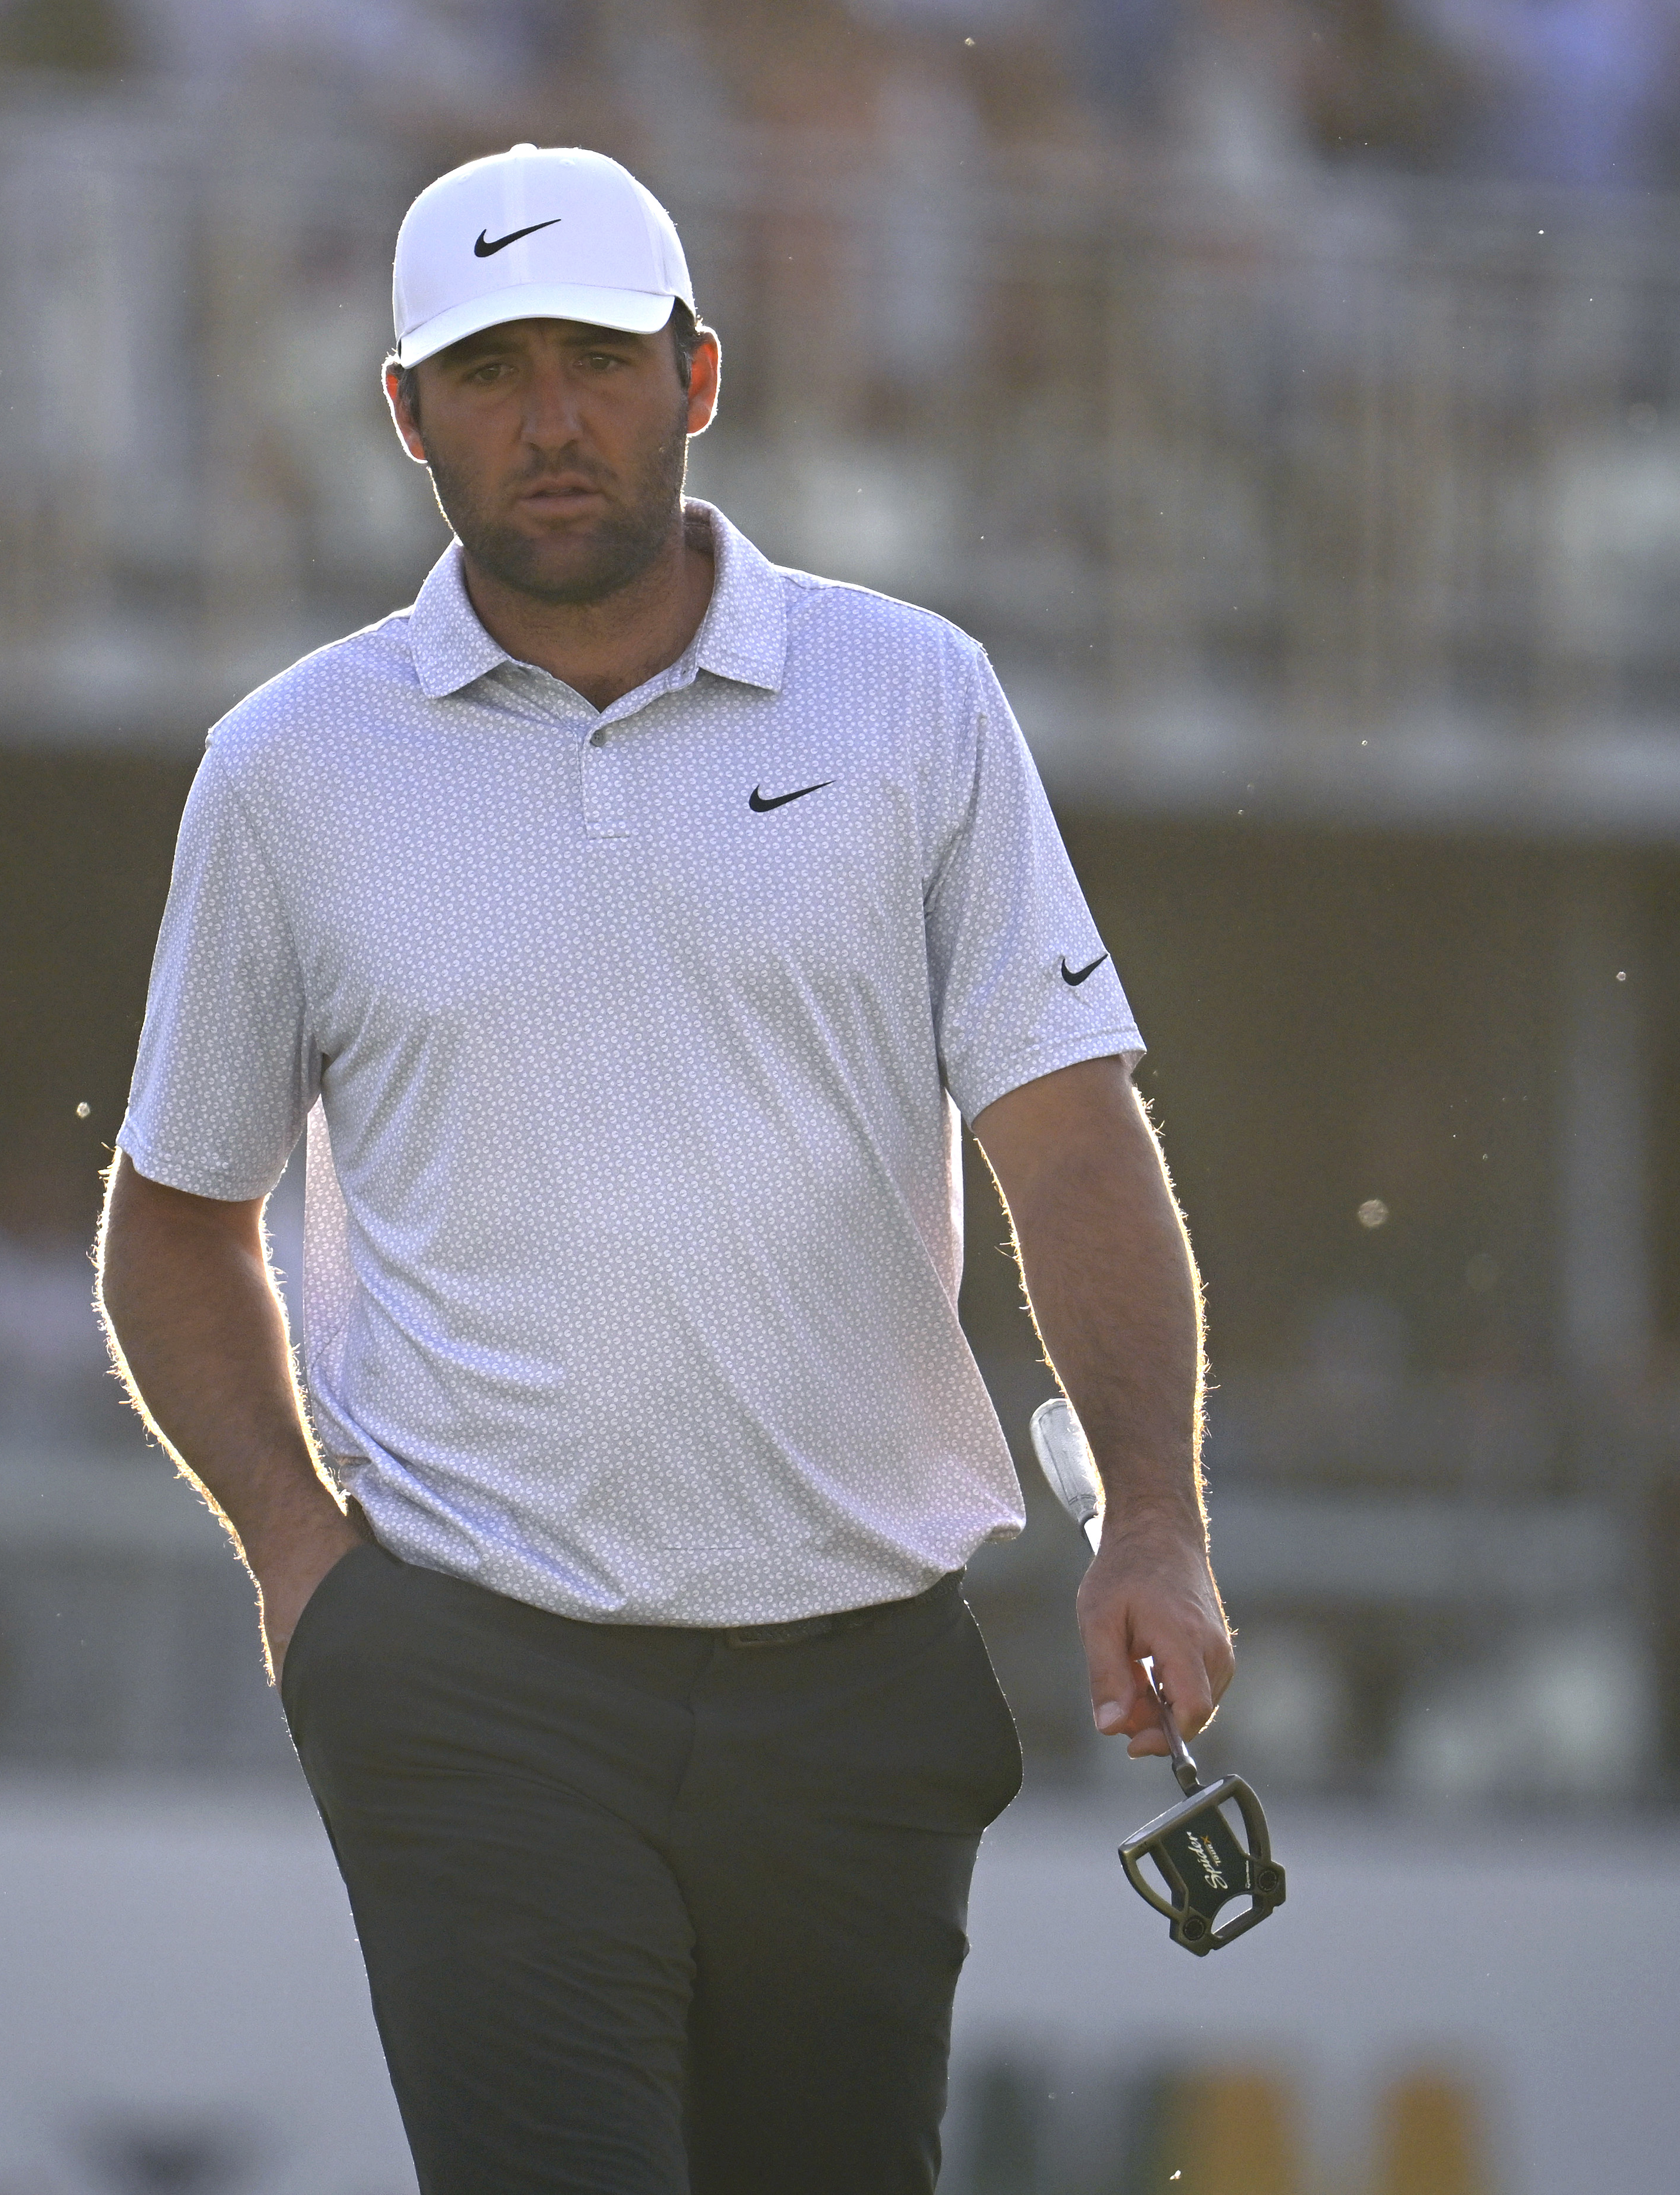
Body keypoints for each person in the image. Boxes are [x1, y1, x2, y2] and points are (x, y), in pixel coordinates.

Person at [93, 143, 1230, 2193]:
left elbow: (1070, 1137)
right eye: (492, 369)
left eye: (599, 361)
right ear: (404, 412)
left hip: (857, 1677)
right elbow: (174, 1220)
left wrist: (1149, 1518)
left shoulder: (914, 697)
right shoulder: (288, 766)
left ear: (697, 376)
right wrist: (300, 1563)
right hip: (471, 1677)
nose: (550, 419)